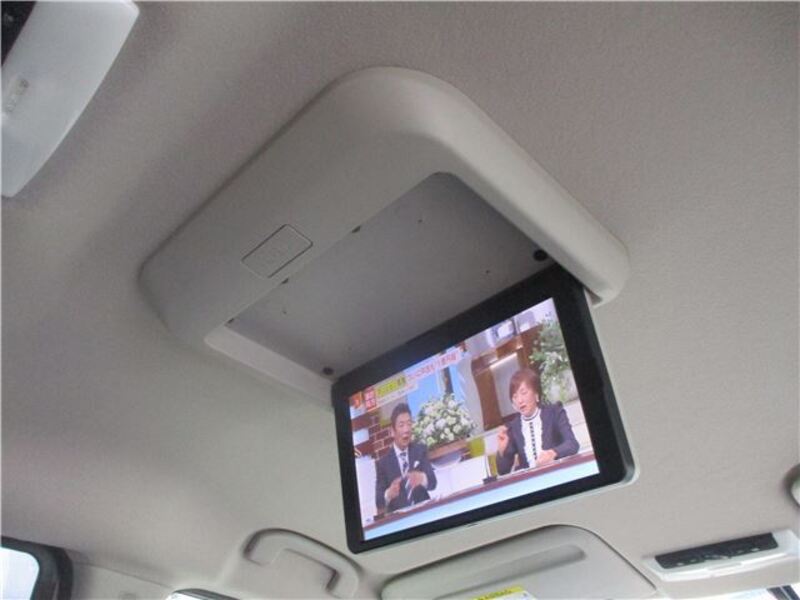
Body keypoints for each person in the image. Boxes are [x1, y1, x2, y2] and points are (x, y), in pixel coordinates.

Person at [496, 368, 579, 475]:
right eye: (515, 396)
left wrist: (553, 453)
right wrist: (501, 451)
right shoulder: (513, 427)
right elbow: (503, 471)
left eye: (523, 393)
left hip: (558, 474)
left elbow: (572, 444)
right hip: (530, 481)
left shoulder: (554, 413)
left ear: (536, 394)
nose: (519, 400)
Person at [375, 403, 437, 515]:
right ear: (392, 431)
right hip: (399, 519)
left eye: (409, 424)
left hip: (424, 513)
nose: (407, 429)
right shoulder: (383, 464)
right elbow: (378, 501)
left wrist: (422, 478)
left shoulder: (420, 450)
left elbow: (433, 482)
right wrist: (389, 494)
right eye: (401, 425)